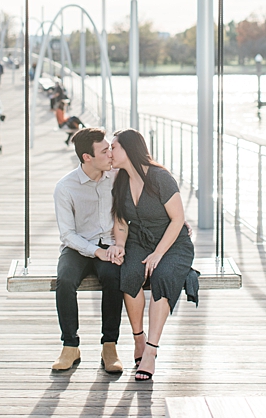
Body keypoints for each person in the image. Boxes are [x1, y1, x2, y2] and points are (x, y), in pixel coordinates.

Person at [110, 128, 197, 381]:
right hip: (139, 241)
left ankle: (151, 351)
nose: (110, 152)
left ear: (128, 149)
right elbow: (121, 221)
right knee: (130, 274)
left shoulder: (160, 177)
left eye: (113, 147)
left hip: (172, 243)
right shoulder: (121, 180)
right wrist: (121, 245)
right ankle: (139, 340)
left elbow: (178, 219)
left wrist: (159, 253)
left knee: (163, 276)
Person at [51, 127, 124, 374]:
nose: (111, 154)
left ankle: (109, 345)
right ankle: (70, 346)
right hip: (78, 246)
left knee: (113, 278)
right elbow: (67, 234)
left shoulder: (116, 177)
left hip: (110, 244)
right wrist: (95, 251)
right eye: (105, 151)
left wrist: (115, 247)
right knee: (65, 280)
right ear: (87, 157)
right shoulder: (65, 187)